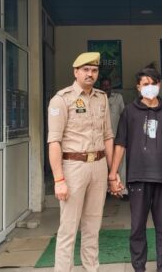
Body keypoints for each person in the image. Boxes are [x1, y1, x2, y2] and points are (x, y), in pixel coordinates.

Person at [47, 52, 115, 272]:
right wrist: (59, 179)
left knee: (93, 226)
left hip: (99, 165)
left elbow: (108, 136)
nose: (90, 74)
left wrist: (112, 172)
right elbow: (54, 142)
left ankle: (91, 268)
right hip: (73, 167)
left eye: (94, 70)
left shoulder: (101, 98)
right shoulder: (61, 99)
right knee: (68, 228)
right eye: (85, 70)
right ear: (75, 72)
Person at [109, 66, 162, 272]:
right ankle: (139, 267)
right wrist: (113, 173)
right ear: (138, 87)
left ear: (159, 85)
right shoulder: (129, 112)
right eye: (145, 84)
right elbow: (120, 144)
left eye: (153, 83)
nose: (150, 87)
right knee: (137, 228)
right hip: (137, 178)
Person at [100, 76, 127, 195]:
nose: (106, 87)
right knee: (103, 165)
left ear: (111, 86)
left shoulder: (118, 98)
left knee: (120, 163)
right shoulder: (97, 98)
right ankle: (106, 190)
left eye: (108, 85)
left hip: (117, 137)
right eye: (104, 85)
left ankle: (122, 190)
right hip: (102, 139)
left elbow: (124, 116)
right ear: (100, 87)